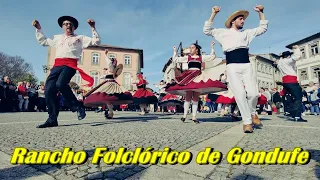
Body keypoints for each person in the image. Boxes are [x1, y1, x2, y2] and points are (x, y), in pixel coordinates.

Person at [203, 5, 268, 133]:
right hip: (232, 65)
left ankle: (253, 113)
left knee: (253, 93)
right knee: (240, 94)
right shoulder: (223, 32)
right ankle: (247, 122)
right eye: (240, 19)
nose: (243, 21)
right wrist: (213, 13)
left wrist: (261, 12)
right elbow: (207, 30)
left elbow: (263, 28)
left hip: (246, 64)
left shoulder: (246, 33)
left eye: (243, 19)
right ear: (233, 21)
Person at [33, 16, 101, 128]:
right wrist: (39, 29)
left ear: (74, 27)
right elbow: (44, 41)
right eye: (65, 24)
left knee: (60, 84)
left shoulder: (80, 38)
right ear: (62, 27)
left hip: (70, 65)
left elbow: (96, 41)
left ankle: (77, 106)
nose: (68, 25)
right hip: (57, 65)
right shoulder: (57, 38)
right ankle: (52, 119)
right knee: (49, 90)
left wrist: (93, 28)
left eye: (70, 24)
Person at [166, 41, 227, 123]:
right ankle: (184, 115)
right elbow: (176, 59)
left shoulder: (201, 57)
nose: (190, 49)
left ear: (196, 50)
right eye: (190, 48)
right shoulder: (188, 58)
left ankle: (194, 116)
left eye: (192, 47)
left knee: (195, 97)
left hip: (198, 76)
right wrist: (174, 51)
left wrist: (212, 48)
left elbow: (212, 57)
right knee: (188, 97)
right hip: (189, 76)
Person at [83, 49, 133, 119]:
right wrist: (103, 76)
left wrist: (105, 54)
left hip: (109, 84)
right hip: (112, 83)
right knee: (108, 99)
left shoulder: (111, 67)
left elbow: (108, 62)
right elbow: (109, 74)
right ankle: (110, 111)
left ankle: (110, 111)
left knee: (106, 98)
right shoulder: (114, 70)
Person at [274, 46, 307, 122]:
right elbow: (297, 56)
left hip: (285, 82)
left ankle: (292, 113)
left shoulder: (280, 63)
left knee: (292, 98)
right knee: (298, 98)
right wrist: (297, 49)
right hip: (292, 81)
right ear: (288, 56)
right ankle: (297, 116)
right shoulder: (287, 61)